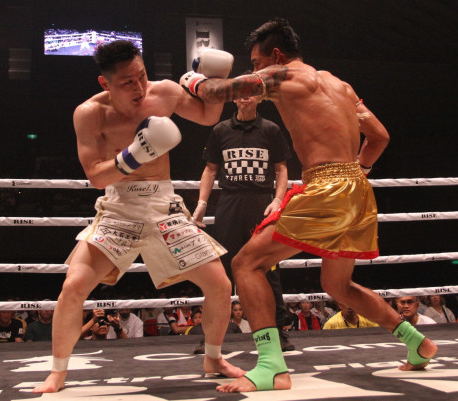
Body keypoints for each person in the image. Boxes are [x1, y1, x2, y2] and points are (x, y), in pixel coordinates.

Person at [187, 18, 438, 392]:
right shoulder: (340, 85)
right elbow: (379, 136)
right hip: (357, 188)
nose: (256, 70)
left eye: (256, 62)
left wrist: (191, 78)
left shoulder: (283, 76)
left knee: (246, 264)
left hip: (327, 187)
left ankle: (271, 367)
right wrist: (357, 172)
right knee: (338, 285)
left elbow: (214, 92)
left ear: (276, 55)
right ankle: (417, 342)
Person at [34, 40, 244, 393]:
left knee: (220, 285)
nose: (139, 87)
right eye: (127, 82)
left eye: (142, 76)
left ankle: (213, 357)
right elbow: (96, 176)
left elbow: (208, 116)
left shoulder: (164, 92)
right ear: (105, 83)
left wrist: (215, 83)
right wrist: (134, 155)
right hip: (120, 207)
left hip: (164, 205)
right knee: (73, 288)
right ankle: (57, 372)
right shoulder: (89, 113)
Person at [192, 82, 294, 351]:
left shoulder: (270, 129)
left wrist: (277, 201)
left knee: (268, 267)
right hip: (229, 203)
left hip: (261, 203)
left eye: (250, 94)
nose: (245, 98)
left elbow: (281, 169)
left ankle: (278, 333)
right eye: (240, 94)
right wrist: (202, 203)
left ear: (260, 98)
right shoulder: (221, 130)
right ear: (234, 99)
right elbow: (210, 169)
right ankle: (212, 336)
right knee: (220, 271)